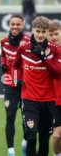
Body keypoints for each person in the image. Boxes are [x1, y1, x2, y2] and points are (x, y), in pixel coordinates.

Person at [14, 16, 61, 156]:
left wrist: (44, 57)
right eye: (37, 31)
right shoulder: (23, 49)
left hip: (48, 100)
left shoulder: (55, 50)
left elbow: (57, 74)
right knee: (31, 137)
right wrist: (17, 79)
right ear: (32, 30)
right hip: (29, 99)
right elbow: (15, 66)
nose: (40, 35)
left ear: (47, 32)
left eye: (43, 31)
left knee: (44, 139)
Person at [0, 14, 30, 156]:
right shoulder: (4, 42)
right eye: (13, 24)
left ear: (23, 25)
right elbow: (3, 56)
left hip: (26, 86)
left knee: (26, 119)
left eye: (18, 24)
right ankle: (10, 151)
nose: (15, 27)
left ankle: (24, 143)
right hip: (10, 86)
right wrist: (3, 64)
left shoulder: (29, 41)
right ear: (9, 25)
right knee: (10, 116)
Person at [47, 20, 61, 156]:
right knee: (56, 136)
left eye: (56, 33)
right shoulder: (46, 53)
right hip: (55, 101)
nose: (54, 37)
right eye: (51, 34)